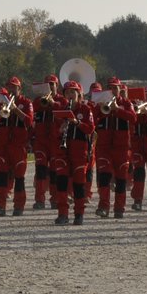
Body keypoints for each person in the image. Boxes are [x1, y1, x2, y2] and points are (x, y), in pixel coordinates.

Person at [52, 80, 96, 225]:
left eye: (73, 92)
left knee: (78, 183)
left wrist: (76, 122)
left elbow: (90, 129)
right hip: (63, 149)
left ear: (79, 94)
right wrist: (61, 128)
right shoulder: (61, 109)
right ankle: (63, 214)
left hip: (80, 149)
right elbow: (54, 131)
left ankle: (79, 214)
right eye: (67, 92)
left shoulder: (85, 109)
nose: (70, 95)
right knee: (62, 182)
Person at [0, 76, 35, 216]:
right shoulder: (1, 103)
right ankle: (0, 206)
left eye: (13, 87)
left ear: (19, 89)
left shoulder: (26, 102)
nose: (10, 90)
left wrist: (16, 110)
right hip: (3, 145)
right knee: (2, 176)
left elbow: (29, 121)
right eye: (8, 87)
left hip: (18, 145)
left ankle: (19, 206)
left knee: (19, 178)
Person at [94, 79, 135, 219]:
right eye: (110, 88)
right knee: (104, 177)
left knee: (121, 180)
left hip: (121, 147)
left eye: (115, 88)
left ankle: (119, 208)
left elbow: (133, 118)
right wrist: (98, 107)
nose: (112, 90)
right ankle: (103, 206)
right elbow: (93, 119)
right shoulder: (101, 102)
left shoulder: (126, 103)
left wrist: (117, 110)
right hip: (104, 146)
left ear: (119, 90)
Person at [31, 75, 63, 210]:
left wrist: (52, 103)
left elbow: (63, 110)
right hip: (41, 140)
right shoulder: (38, 100)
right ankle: (40, 199)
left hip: (55, 140)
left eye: (52, 84)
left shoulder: (62, 100)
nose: (50, 87)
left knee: (55, 171)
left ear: (57, 86)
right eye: (47, 85)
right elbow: (33, 111)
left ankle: (55, 199)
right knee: (41, 170)